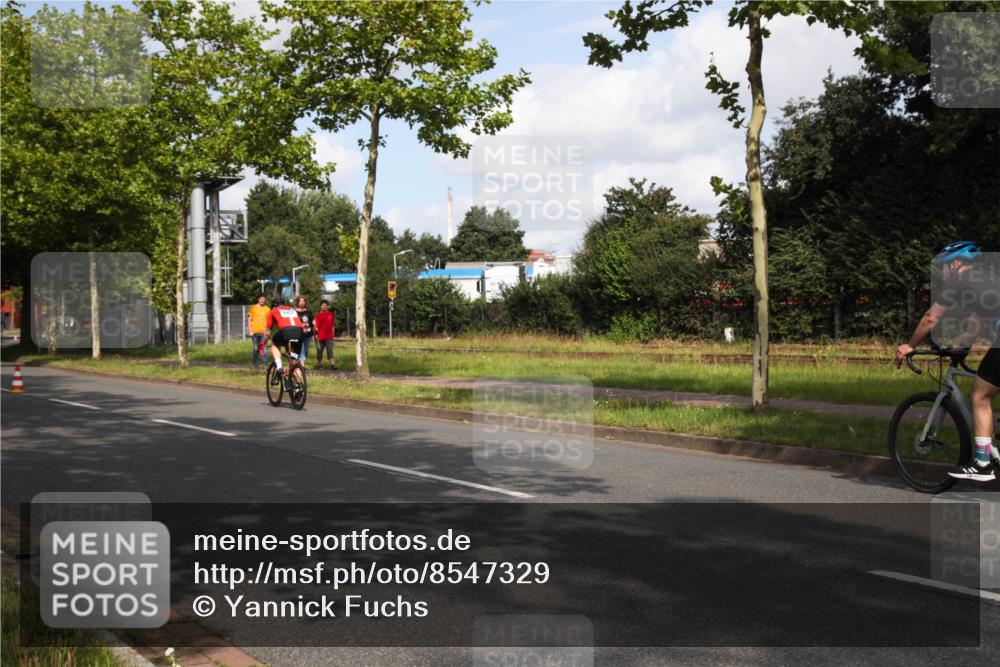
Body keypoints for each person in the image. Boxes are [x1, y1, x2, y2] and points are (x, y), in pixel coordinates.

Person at [896, 241, 1000, 481]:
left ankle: (982, 464)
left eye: (942, 267)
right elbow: (977, 323)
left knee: (980, 395)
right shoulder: (989, 278)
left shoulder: (960, 280)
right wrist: (961, 349)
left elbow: (931, 318)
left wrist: (910, 346)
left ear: (955, 264)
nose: (942, 274)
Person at [267, 298, 304, 385]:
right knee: (294, 361)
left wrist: (263, 342)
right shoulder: (292, 309)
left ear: (274, 306)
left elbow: (268, 331)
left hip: (286, 332)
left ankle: (279, 368)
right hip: (299, 333)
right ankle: (298, 386)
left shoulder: (274, 310)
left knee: (274, 344)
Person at [247, 294, 270, 370]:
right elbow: (249, 320)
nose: (262, 300)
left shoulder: (267, 309)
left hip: (264, 333)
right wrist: (250, 330)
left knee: (264, 349)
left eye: (264, 299)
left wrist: (268, 331)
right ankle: (255, 365)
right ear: (258, 299)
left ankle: (264, 364)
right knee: (256, 349)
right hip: (255, 332)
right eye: (261, 298)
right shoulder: (253, 308)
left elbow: (269, 321)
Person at [313, 299, 336, 370]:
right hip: (319, 337)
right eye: (323, 305)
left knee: (330, 351)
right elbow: (315, 326)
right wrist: (315, 335)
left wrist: (333, 335)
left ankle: (333, 365)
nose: (324, 306)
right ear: (320, 306)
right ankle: (319, 364)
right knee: (319, 351)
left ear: (327, 306)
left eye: (325, 305)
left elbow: (333, 325)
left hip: (329, 337)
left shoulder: (330, 314)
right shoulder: (318, 315)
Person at [294, 295, 314, 363]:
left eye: (303, 301)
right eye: (300, 301)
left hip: (308, 334)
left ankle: (299, 364)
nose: (302, 302)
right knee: (298, 350)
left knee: (306, 351)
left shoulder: (309, 311)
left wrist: (316, 327)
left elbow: (313, 321)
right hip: (298, 334)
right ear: (297, 302)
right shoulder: (294, 311)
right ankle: (299, 364)